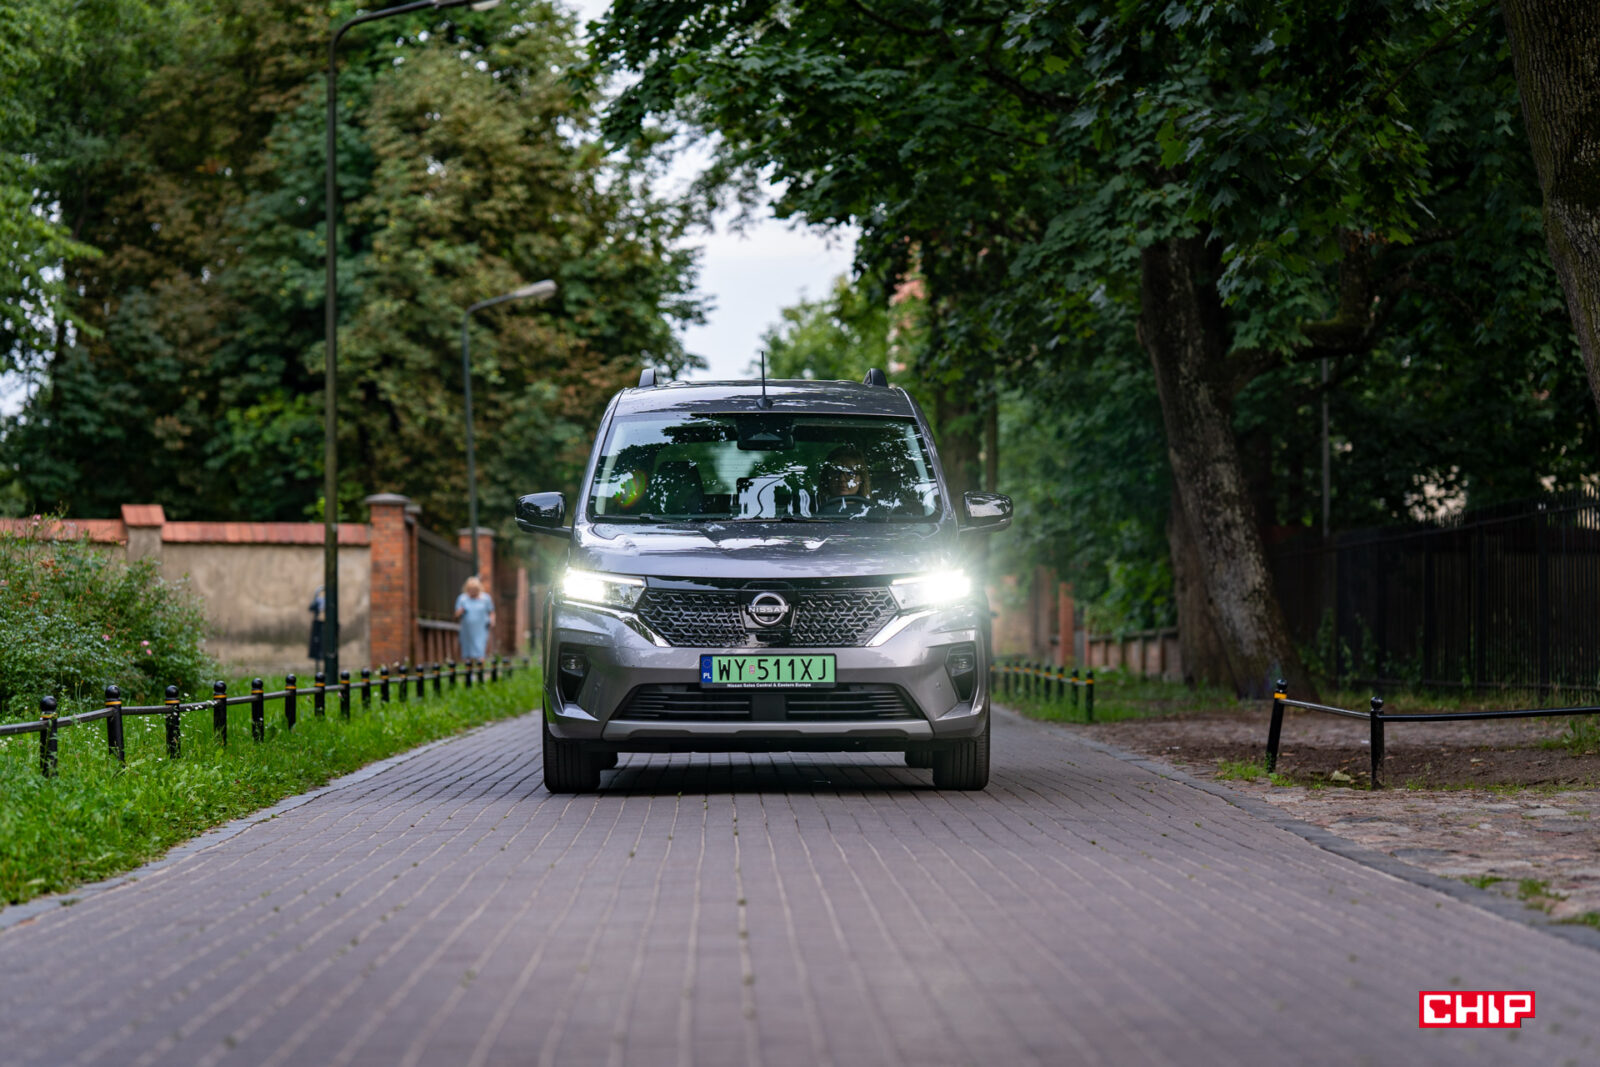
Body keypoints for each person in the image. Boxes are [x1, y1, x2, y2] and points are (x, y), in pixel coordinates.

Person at [454, 576, 496, 665]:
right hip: (467, 629)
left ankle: (480, 670)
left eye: (475, 589)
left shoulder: (485, 598)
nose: (473, 592)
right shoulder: (462, 598)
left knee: (480, 649)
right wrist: (460, 612)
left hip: (481, 628)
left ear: (479, 588)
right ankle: (469, 670)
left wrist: (492, 621)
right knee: (467, 650)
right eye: (470, 589)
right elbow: (456, 615)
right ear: (467, 589)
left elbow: (491, 611)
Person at [817, 446, 870, 515]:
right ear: (827, 477)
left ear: (861, 479)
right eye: (836, 472)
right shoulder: (812, 511)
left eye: (850, 473)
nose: (842, 479)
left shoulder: (872, 513)